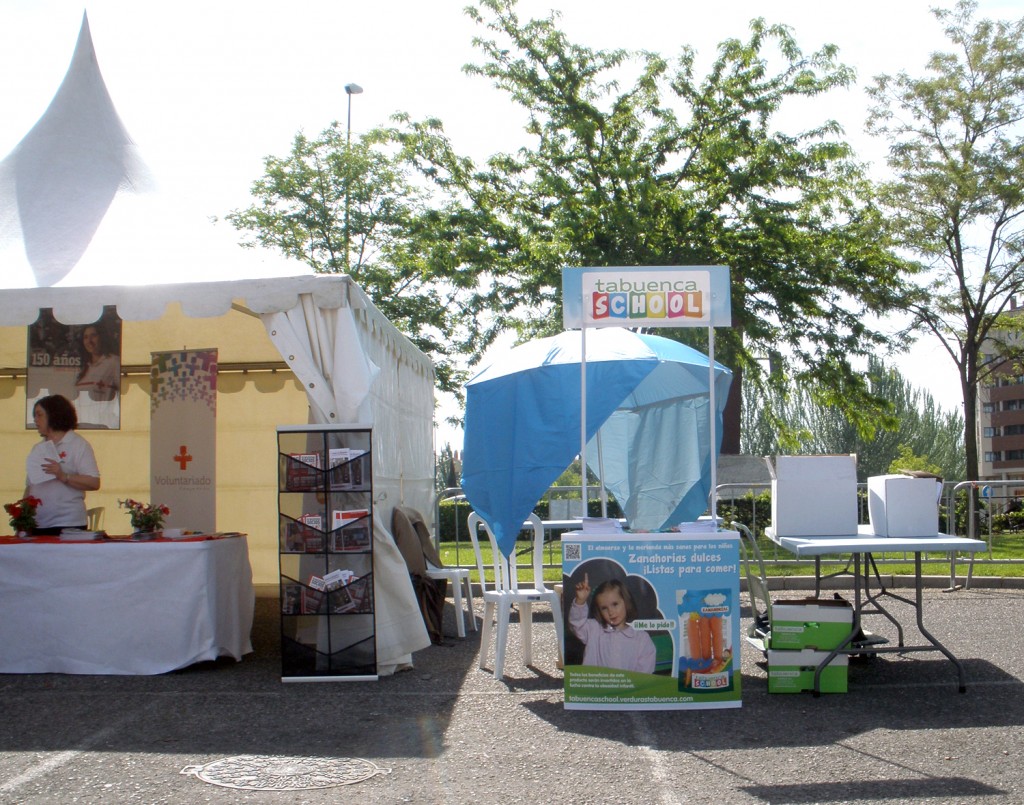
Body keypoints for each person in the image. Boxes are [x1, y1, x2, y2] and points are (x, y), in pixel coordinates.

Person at [25, 395, 101, 535]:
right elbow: (30, 486)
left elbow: (94, 482)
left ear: (54, 415)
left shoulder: (78, 444)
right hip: (37, 523)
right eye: (34, 415)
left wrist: (63, 475)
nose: (35, 420)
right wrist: (23, 516)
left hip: (68, 523)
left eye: (39, 415)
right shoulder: (38, 448)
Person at [569, 574, 656, 673]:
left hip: (629, 687)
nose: (610, 612)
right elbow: (576, 624)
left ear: (626, 602)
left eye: (615, 604)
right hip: (595, 687)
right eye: (604, 608)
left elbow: (644, 674)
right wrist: (580, 601)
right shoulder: (593, 629)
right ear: (599, 610)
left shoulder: (641, 639)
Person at [74, 323, 120, 402]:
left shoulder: (114, 362)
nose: (89, 341)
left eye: (93, 336)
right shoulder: (85, 367)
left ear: (102, 337)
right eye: (86, 337)